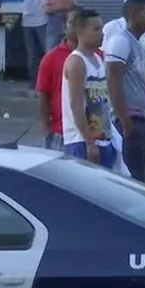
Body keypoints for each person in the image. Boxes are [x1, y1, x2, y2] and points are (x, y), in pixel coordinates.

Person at [105, 0, 145, 182]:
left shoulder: (139, 44)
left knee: (142, 170)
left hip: (141, 115)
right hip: (128, 118)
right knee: (133, 179)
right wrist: (124, 119)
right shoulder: (121, 41)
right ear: (134, 15)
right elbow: (113, 79)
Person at [61, 9, 117, 169]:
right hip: (81, 141)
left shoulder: (99, 59)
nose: (102, 34)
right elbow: (76, 105)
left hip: (104, 138)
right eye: (96, 29)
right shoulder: (76, 62)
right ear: (80, 31)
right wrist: (89, 142)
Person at [37, 9, 82, 151]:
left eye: (80, 23)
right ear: (64, 27)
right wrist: (46, 126)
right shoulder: (51, 58)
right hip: (61, 132)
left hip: (94, 133)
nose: (76, 27)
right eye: (71, 22)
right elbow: (43, 95)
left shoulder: (99, 56)